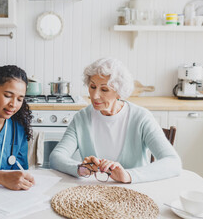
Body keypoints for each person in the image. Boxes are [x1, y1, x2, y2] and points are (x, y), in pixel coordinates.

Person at [49, 58, 182, 183]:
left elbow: (173, 162)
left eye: (104, 89)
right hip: (92, 195)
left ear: (119, 92)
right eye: (92, 87)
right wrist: (81, 168)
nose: (94, 96)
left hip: (135, 195)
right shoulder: (81, 118)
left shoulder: (141, 117)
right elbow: (56, 157)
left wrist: (129, 175)